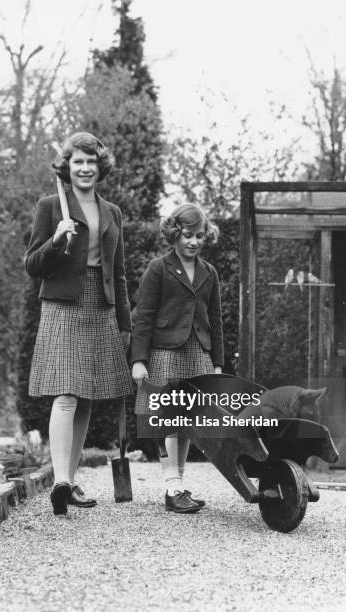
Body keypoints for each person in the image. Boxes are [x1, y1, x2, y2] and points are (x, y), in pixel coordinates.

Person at [25, 132, 133, 515]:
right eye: (77, 162)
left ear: (99, 166)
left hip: (99, 306)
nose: (85, 168)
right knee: (66, 393)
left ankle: (69, 481)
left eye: (91, 161)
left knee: (85, 394)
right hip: (62, 305)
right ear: (66, 167)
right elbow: (33, 266)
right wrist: (55, 240)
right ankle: (61, 481)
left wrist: (125, 324)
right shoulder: (50, 206)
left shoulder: (113, 212)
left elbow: (118, 273)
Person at [131, 203, 223, 513]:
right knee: (167, 419)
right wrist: (139, 360)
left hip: (197, 352)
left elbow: (216, 320)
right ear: (174, 233)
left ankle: (179, 486)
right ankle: (171, 487)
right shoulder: (159, 267)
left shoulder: (209, 272)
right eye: (187, 235)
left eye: (199, 236)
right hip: (164, 351)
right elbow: (143, 316)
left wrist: (218, 363)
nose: (193, 242)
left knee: (187, 421)